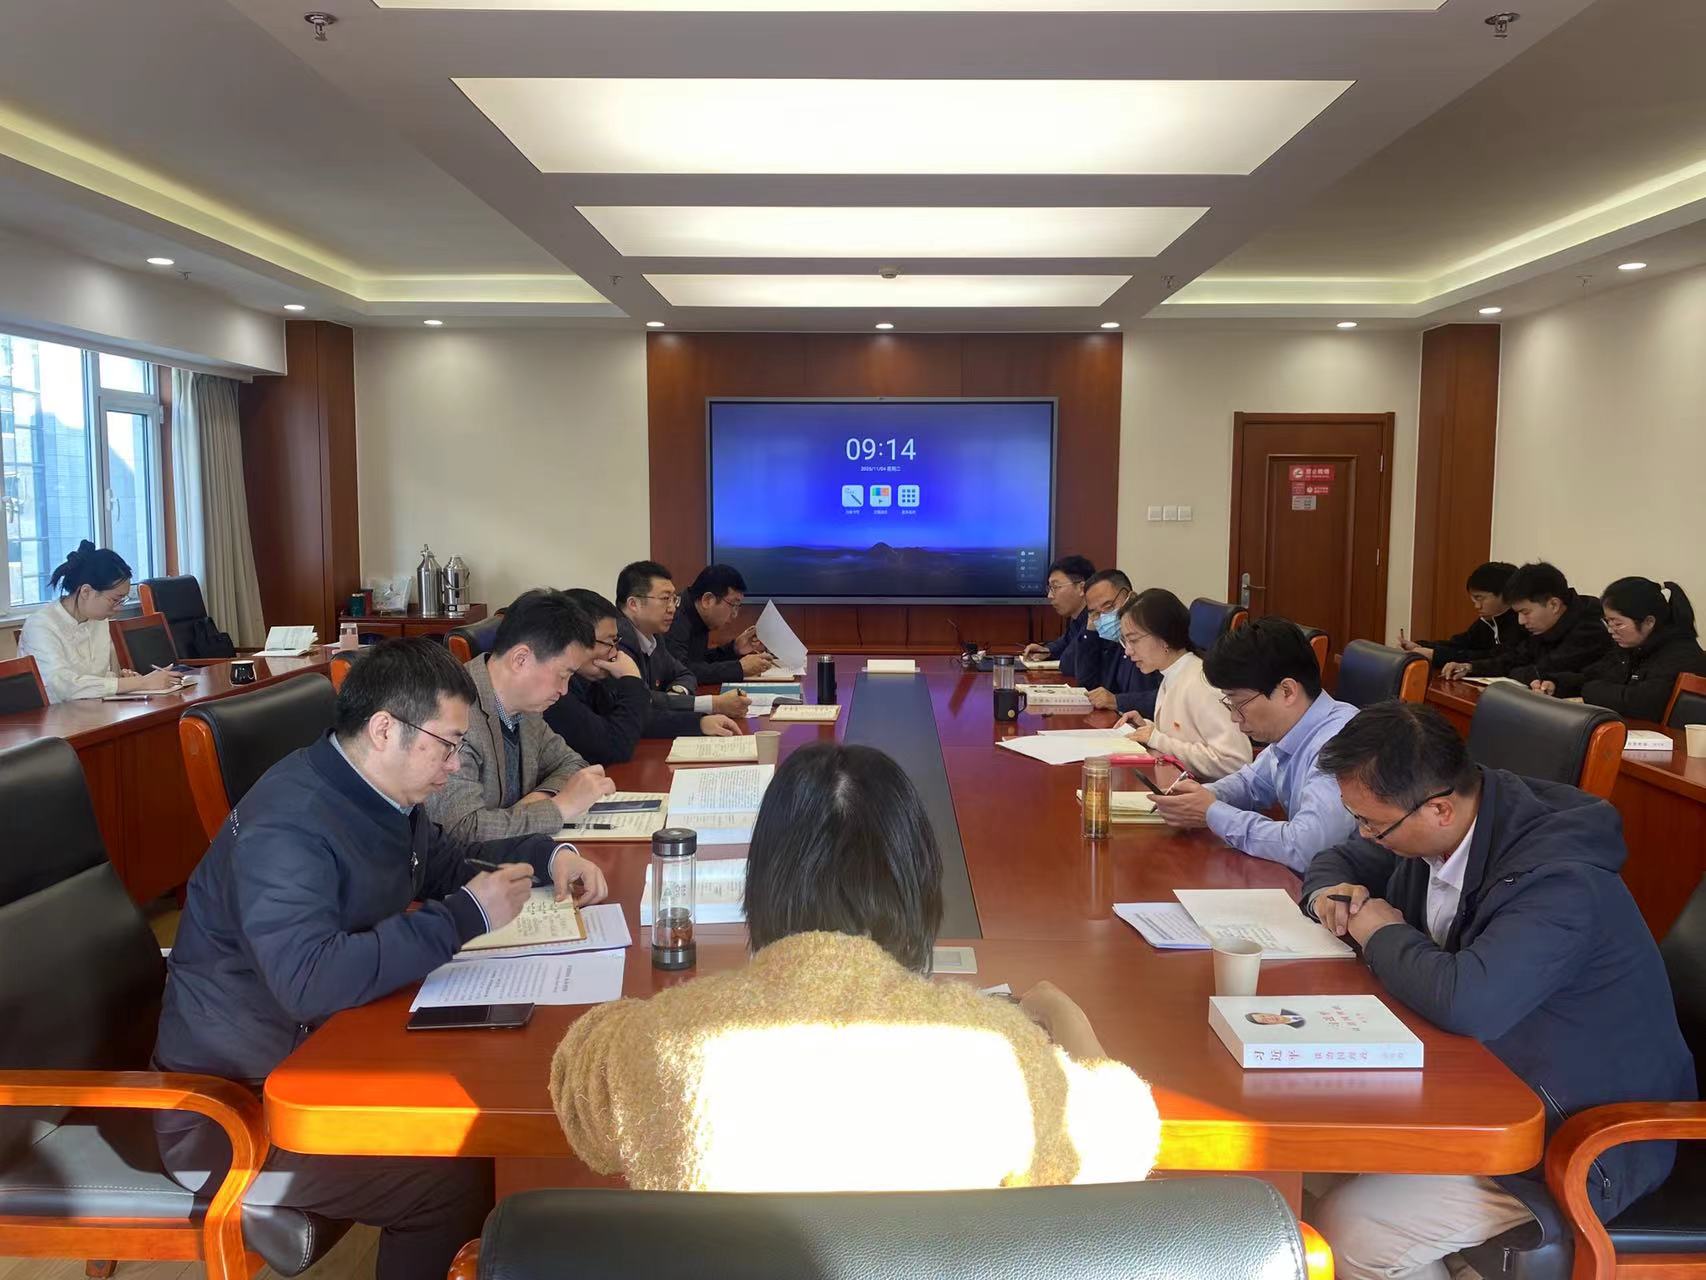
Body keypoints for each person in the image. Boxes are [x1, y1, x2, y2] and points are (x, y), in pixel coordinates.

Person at [152, 638, 610, 1280]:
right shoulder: (288, 826)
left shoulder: (380, 790)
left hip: (323, 1051)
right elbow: (308, 981)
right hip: (240, 1110)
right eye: (448, 745)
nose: (455, 765)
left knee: (492, 1093)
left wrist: (547, 856)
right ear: (385, 729)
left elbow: (441, 864)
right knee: (450, 1177)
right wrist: (463, 917)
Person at [549, 742, 1161, 1192]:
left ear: (763, 879)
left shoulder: (664, 1043)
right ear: (917, 882)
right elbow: (1123, 1142)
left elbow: (581, 1083)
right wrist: (1064, 1015)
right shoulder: (999, 1051)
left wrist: (687, 1007)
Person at [1301, 702, 1695, 1280]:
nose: (1364, 834)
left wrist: (1380, 930)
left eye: (1371, 824)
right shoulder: (1444, 820)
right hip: (1480, 1086)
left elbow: (1469, 1001)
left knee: (1350, 1232)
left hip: (1574, 1135)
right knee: (1301, 1164)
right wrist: (1327, 891)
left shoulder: (1561, 880)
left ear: (1438, 808)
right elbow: (1341, 858)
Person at [1150, 618, 1357, 873]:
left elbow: (1306, 848)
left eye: (1239, 703)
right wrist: (1199, 797)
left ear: (1287, 691)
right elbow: (1251, 783)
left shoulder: (1341, 743)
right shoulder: (1294, 729)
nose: (1234, 717)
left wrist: (1211, 813)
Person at [424, 589, 616, 840]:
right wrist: (559, 808)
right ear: (521, 659)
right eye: (562, 675)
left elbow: (573, 764)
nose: (564, 690)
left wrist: (540, 800)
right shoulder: (455, 715)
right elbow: (462, 829)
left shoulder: (526, 708)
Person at [544, 588, 741, 764]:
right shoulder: (556, 693)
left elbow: (637, 719)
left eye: (616, 641)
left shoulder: (595, 676)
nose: (615, 652)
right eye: (609, 642)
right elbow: (614, 746)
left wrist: (699, 723)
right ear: (573, 643)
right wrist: (631, 680)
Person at [1112, 588, 1252, 781]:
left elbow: (1234, 762)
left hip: (1209, 794)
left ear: (1164, 638)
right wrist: (1146, 728)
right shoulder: (1172, 673)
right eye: (1125, 641)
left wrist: (1157, 739)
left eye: (1133, 640)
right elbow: (1185, 737)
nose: (1128, 651)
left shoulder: (1202, 683)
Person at [17, 540, 178, 701]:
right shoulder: (41, 625)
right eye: (115, 599)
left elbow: (97, 676)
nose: (118, 608)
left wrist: (123, 680)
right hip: (57, 714)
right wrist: (140, 683)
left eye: (122, 600)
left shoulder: (98, 620)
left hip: (93, 708)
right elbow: (63, 687)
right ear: (86, 591)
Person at [1540, 578, 1706, 720]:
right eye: (1608, 622)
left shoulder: (1681, 655)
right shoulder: (1632, 647)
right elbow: (1593, 675)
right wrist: (1556, 685)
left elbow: (1640, 703)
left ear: (1649, 622)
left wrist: (1589, 691)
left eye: (1617, 623)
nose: (1610, 630)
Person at [615, 560, 751, 724]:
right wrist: (712, 705)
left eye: (674, 599)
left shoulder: (654, 636)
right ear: (633, 604)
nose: (672, 608)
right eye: (665, 599)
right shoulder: (616, 642)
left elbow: (684, 673)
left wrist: (677, 696)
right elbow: (640, 701)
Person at [1440, 561, 1613, 686]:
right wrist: (1471, 667)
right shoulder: (1545, 627)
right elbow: (1516, 658)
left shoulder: (1590, 630)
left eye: (1525, 612)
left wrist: (1518, 672)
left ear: (1553, 605)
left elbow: (1542, 671)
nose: (1521, 621)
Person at [665, 563, 777, 684]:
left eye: (738, 606)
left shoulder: (697, 614)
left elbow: (700, 662)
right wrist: (739, 668)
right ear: (708, 600)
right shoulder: (674, 618)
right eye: (733, 605)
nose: (735, 614)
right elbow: (681, 671)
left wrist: (734, 649)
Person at [1400, 561, 1518, 669]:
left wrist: (1436, 655)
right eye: (1474, 599)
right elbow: (1459, 643)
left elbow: (1494, 657)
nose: (1477, 606)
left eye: (1480, 598)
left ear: (1505, 595)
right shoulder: (1486, 621)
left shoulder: (1520, 624)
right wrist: (1420, 646)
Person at [1079, 568, 1161, 717]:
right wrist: (1090, 629)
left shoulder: (1155, 637)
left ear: (1131, 598)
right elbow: (1086, 683)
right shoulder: (1114, 639)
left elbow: (1170, 696)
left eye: (1109, 607)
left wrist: (1118, 701)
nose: (1104, 617)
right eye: (1096, 613)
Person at [1021, 554, 1098, 680]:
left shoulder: (1095, 620)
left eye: (1055, 587)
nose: (1050, 596)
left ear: (1082, 588)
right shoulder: (1077, 619)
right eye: (1050, 588)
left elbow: (1068, 663)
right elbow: (1064, 642)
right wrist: (1046, 650)